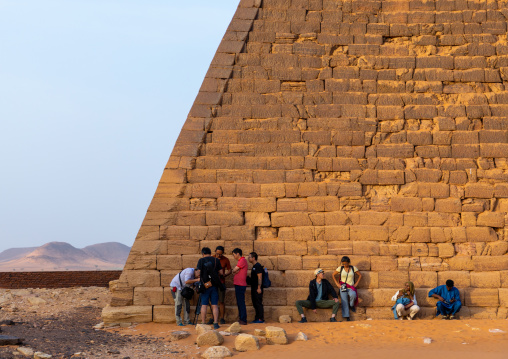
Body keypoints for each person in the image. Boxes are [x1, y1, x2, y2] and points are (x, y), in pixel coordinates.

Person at [196, 247, 223, 329]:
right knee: (214, 305)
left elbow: (198, 273)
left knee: (204, 305)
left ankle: (203, 323)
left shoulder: (201, 260)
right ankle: (215, 323)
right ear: (211, 253)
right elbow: (221, 272)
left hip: (205, 286)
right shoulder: (216, 260)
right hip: (214, 285)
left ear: (203, 253)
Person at [206, 246, 231, 325]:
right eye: (217, 254)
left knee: (221, 301)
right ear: (215, 252)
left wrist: (225, 275)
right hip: (213, 283)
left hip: (221, 282)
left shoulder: (226, 259)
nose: (219, 256)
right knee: (213, 301)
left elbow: (230, 270)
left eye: (220, 254)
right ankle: (212, 318)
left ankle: (222, 318)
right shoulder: (211, 258)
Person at [333, 256, 362, 321]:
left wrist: (356, 283)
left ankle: (351, 305)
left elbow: (360, 275)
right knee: (344, 301)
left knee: (353, 295)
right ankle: (347, 316)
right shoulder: (340, 268)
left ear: (348, 262)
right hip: (343, 286)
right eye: (343, 264)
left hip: (351, 286)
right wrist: (337, 284)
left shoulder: (353, 268)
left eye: (346, 263)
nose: (344, 265)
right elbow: (333, 275)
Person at [231, 248, 248, 325]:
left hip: (240, 284)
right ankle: (241, 318)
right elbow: (234, 271)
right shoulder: (241, 261)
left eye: (234, 254)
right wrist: (235, 271)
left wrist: (235, 271)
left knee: (241, 302)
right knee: (240, 302)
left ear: (237, 254)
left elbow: (234, 270)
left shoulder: (242, 260)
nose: (234, 256)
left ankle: (243, 319)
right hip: (239, 284)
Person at [247, 252, 264, 323]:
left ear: (253, 258)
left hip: (257, 288)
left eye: (249, 257)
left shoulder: (258, 266)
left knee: (258, 302)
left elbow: (260, 277)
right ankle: (257, 318)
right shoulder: (254, 266)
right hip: (254, 288)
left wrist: (259, 287)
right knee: (255, 303)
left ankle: (260, 318)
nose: (248, 258)